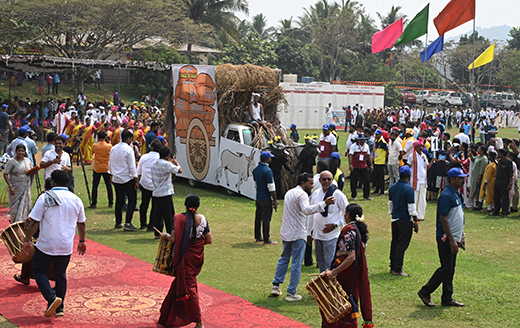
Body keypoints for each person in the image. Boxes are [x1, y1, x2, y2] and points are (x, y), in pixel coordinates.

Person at [22, 169, 86, 317]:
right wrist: (82, 241)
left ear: (52, 182)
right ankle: (60, 308)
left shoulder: (45, 197)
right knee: (60, 274)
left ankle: (51, 298)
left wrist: (26, 240)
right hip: (65, 245)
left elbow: (34, 222)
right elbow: (81, 224)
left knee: (38, 270)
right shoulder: (76, 199)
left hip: (46, 243)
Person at [270, 173, 335, 301]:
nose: (312, 186)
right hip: (298, 233)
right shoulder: (302, 194)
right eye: (310, 183)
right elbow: (306, 210)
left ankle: (276, 285)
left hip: (287, 231)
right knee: (296, 263)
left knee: (284, 258)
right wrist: (324, 204)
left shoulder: (289, 192)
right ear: (302, 183)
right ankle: (291, 292)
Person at [158, 194, 212, 328]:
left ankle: (199, 322)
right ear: (198, 205)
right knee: (180, 284)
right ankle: (168, 316)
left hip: (184, 258)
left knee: (189, 289)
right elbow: (209, 240)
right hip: (196, 257)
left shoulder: (179, 219)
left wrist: (165, 236)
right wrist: (195, 246)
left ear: (185, 205)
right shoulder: (203, 219)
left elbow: (174, 238)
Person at [418, 168, 467, 308]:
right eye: (460, 178)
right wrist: (452, 240)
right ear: (452, 179)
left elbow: (457, 217)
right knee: (446, 267)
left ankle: (447, 298)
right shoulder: (446, 195)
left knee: (450, 268)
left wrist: (460, 236)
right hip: (446, 238)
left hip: (453, 237)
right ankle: (425, 291)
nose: (463, 180)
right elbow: (443, 219)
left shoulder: (455, 193)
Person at [321, 204, 373, 328]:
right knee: (348, 308)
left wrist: (333, 272)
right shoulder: (360, 230)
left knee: (340, 308)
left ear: (348, 215)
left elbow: (351, 256)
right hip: (354, 275)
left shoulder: (350, 232)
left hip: (346, 275)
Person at [307, 170, 348, 273]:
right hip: (317, 235)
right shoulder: (316, 194)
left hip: (331, 236)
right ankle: (323, 287)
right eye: (324, 179)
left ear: (332, 180)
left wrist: (335, 225)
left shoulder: (338, 194)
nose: (326, 181)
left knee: (330, 263)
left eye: (329, 179)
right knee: (320, 263)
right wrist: (308, 233)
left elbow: (347, 214)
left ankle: (331, 286)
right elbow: (311, 214)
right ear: (319, 180)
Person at [388, 166, 418, 277]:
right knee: (402, 245)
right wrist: (416, 222)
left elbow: (390, 205)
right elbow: (411, 208)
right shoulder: (408, 188)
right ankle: (398, 268)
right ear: (409, 175)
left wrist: (393, 213)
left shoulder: (393, 187)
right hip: (405, 220)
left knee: (395, 242)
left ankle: (392, 266)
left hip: (395, 219)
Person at [109, 130, 139, 231]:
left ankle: (118, 222)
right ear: (128, 139)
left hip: (117, 178)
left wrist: (112, 175)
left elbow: (110, 163)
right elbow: (132, 166)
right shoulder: (129, 149)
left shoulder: (114, 148)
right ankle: (128, 222)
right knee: (132, 200)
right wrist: (136, 179)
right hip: (127, 178)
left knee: (119, 200)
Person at [151, 146, 182, 239]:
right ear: (168, 156)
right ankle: (171, 233)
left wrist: (170, 163)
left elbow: (164, 166)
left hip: (156, 193)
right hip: (165, 193)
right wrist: (176, 162)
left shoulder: (154, 164)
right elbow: (179, 170)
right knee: (169, 215)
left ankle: (157, 233)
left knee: (157, 215)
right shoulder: (166, 165)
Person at [3, 144, 37, 223]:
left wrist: (33, 173)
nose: (21, 153)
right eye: (19, 151)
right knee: (15, 208)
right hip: (15, 188)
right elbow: (5, 174)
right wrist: (10, 186)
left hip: (25, 187)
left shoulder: (28, 161)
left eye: (22, 151)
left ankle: (22, 224)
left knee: (25, 207)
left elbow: (30, 171)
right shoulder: (12, 161)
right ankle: (14, 224)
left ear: (25, 152)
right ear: (16, 151)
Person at [252, 151, 278, 244]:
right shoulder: (268, 171)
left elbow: (255, 184)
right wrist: (275, 199)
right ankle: (267, 239)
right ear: (267, 159)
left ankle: (258, 237)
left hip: (259, 197)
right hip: (266, 198)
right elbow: (271, 187)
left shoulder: (255, 170)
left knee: (258, 218)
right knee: (266, 219)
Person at [137, 139, 162, 230]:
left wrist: (139, 182)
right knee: (155, 206)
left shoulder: (144, 157)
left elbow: (139, 172)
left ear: (151, 147)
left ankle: (143, 223)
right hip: (156, 186)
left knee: (144, 204)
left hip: (145, 184)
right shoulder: (160, 158)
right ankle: (152, 225)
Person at [408, 140, 433, 221]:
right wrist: (408, 179)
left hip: (423, 180)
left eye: (421, 146)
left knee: (422, 198)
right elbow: (408, 168)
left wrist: (433, 161)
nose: (420, 148)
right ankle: (413, 214)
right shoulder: (411, 156)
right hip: (415, 180)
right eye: (418, 146)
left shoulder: (424, 156)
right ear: (415, 147)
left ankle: (420, 215)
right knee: (415, 198)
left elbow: (427, 167)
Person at [89, 131, 113, 209]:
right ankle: (111, 202)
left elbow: (92, 152)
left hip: (97, 168)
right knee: (108, 186)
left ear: (98, 138)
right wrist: (109, 141)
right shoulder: (109, 146)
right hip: (106, 168)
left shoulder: (95, 145)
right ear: (105, 138)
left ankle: (94, 203)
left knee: (95, 186)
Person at [349, 133, 372, 201]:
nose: (362, 141)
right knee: (354, 181)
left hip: (364, 166)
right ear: (358, 140)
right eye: (360, 140)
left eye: (363, 140)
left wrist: (371, 165)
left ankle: (366, 195)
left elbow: (368, 155)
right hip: (355, 166)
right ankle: (353, 195)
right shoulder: (354, 146)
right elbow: (350, 155)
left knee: (367, 181)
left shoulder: (366, 146)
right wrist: (350, 164)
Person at [492, 148, 513, 217]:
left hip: (504, 183)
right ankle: (496, 211)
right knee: (496, 197)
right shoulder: (500, 161)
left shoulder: (508, 162)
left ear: (502, 154)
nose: (498, 154)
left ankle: (505, 212)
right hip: (498, 182)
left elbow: (510, 174)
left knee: (504, 198)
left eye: (499, 153)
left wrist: (509, 184)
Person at [372, 129, 388, 195]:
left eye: (377, 134)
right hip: (376, 161)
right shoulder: (376, 141)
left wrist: (385, 160)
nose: (376, 136)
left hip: (381, 162)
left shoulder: (383, 142)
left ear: (380, 135)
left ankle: (381, 191)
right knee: (376, 177)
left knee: (381, 178)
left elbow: (387, 151)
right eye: (375, 134)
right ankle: (376, 190)